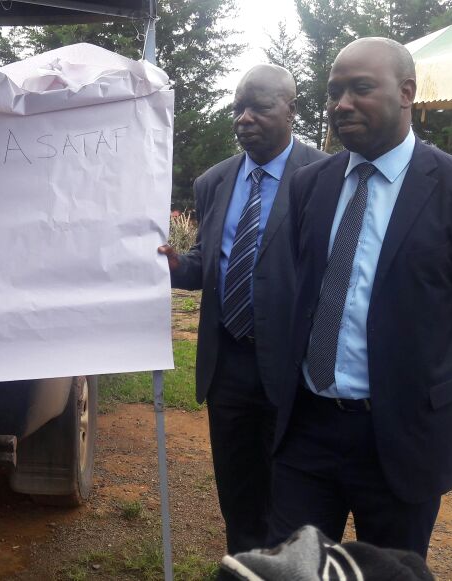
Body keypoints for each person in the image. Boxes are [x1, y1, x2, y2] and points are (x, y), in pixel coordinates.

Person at [269, 37, 452, 557]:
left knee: (391, 569)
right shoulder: (310, 184)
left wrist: (425, 385)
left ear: (406, 93)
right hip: (308, 428)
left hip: (402, 435)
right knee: (295, 567)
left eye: (360, 88)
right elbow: (306, 293)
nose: (341, 104)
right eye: (334, 91)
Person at [158, 64, 327, 554]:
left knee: (292, 495)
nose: (245, 118)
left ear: (291, 110)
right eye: (238, 108)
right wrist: (178, 266)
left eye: (260, 107)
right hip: (228, 363)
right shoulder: (214, 181)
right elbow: (209, 262)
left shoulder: (324, 177)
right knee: (237, 491)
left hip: (294, 367)